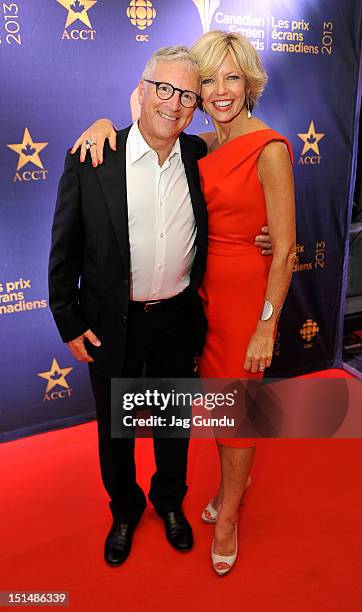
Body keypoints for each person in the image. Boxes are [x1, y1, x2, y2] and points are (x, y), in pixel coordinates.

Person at [49, 45, 272, 569]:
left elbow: (241, 200)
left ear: (195, 106)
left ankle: (169, 502)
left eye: (186, 95)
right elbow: (63, 248)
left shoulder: (199, 155)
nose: (174, 104)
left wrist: (263, 237)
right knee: (115, 427)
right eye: (164, 89)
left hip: (176, 318)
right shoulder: (95, 156)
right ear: (141, 92)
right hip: (111, 321)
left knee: (173, 424)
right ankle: (124, 511)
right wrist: (68, 318)